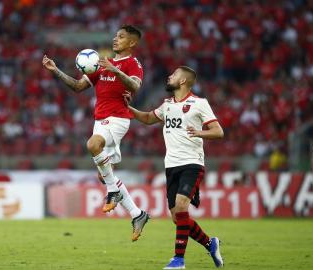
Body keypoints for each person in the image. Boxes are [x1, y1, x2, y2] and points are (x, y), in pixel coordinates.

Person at [42, 25, 149, 241]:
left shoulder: (132, 64)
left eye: (121, 37)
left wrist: (116, 70)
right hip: (99, 122)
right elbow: (78, 86)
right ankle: (138, 214)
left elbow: (135, 86)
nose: (115, 39)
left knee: (92, 145)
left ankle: (113, 192)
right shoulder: (100, 64)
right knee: (104, 174)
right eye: (115, 35)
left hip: (118, 119)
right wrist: (56, 70)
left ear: (132, 43)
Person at [124, 66, 224, 269]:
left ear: (183, 82)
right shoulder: (167, 104)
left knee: (181, 206)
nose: (169, 76)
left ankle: (178, 260)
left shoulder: (199, 103)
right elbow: (148, 118)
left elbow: (218, 131)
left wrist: (199, 133)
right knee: (177, 218)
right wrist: (128, 108)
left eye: (174, 75)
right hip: (171, 165)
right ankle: (209, 243)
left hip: (192, 162)